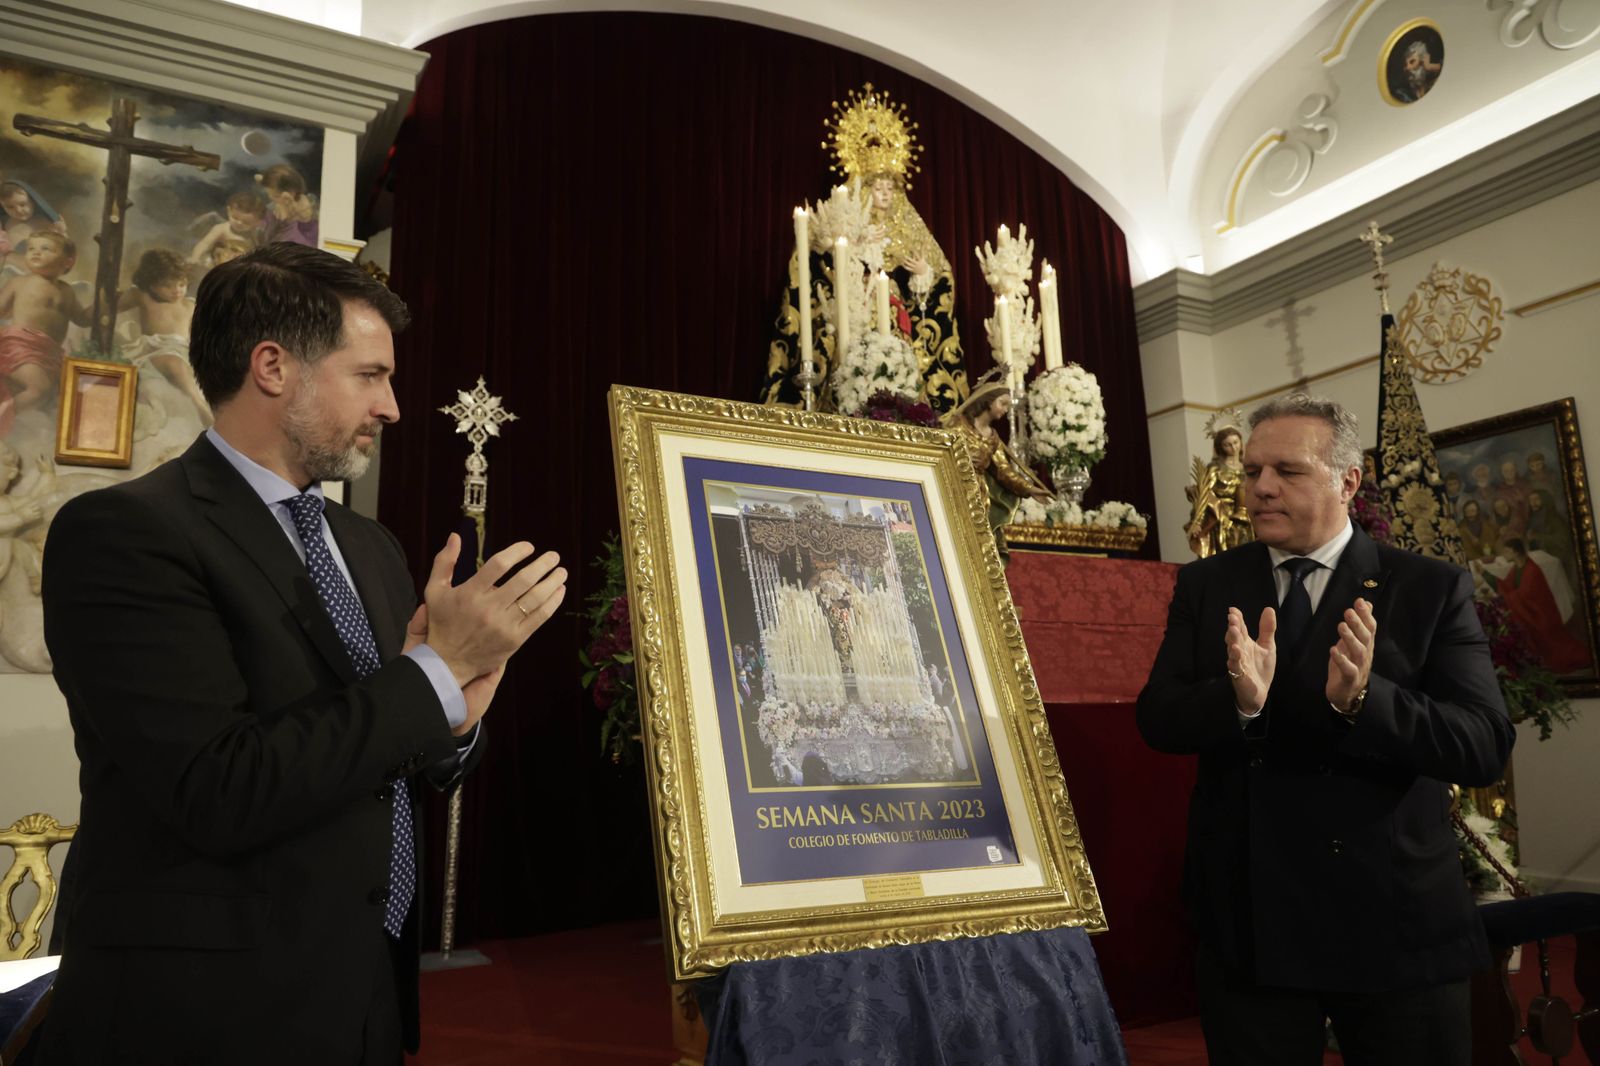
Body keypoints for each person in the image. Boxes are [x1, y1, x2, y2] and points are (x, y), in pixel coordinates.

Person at [37, 243, 568, 1063]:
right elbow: (218, 788)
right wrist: (434, 675)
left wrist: (456, 722)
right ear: (274, 367)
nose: (392, 406)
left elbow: (393, 751)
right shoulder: (126, 534)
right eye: (370, 375)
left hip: (363, 992)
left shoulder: (372, 546)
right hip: (201, 1017)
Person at [1137, 392, 1513, 1065]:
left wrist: (1365, 700)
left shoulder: (1426, 588)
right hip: (1252, 928)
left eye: (1288, 470)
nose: (1261, 488)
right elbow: (1158, 718)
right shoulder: (1206, 584)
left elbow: (1483, 744)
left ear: (1348, 480)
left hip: (1394, 925)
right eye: (1251, 472)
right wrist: (1240, 701)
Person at [943, 370, 1052, 544]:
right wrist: (961, 459)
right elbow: (941, 451)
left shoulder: (993, 437)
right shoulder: (958, 426)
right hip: (954, 488)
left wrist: (1029, 489)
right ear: (988, 401)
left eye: (1008, 406)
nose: (1005, 410)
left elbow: (1004, 471)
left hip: (979, 495)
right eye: (1002, 403)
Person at [0, 230, 88, 434]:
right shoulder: (21, 282)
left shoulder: (67, 291)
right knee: (39, 389)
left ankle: (15, 427)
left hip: (49, 353)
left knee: (55, 397)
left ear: (67, 262)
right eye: (31, 248)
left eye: (45, 248)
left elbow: (83, 319)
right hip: (20, 344)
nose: (35, 253)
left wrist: (106, 302)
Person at [118, 247, 212, 423]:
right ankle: (200, 408)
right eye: (167, 285)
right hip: (155, 351)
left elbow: (197, 337)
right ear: (151, 284)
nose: (176, 290)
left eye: (182, 284)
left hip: (184, 352)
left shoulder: (190, 306)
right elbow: (108, 309)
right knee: (173, 362)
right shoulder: (141, 296)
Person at [1185, 416, 1253, 559]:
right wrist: (1197, 522)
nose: (1233, 447)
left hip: (1245, 522)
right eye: (1227, 444)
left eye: (1236, 442)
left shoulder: (1248, 468)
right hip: (1222, 521)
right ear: (1220, 447)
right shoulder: (1215, 469)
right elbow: (1204, 495)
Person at [189, 188, 267, 265]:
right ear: (229, 211)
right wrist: (195, 257)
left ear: (257, 222)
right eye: (235, 217)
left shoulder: (256, 234)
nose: (239, 223)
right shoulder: (222, 229)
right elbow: (205, 243)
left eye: (246, 222)